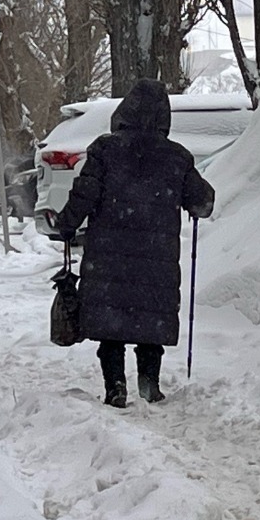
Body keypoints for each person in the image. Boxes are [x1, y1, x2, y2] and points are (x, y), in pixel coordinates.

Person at [54, 79, 214, 408]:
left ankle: (115, 386)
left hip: (109, 252)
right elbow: (202, 203)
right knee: (149, 319)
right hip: (157, 256)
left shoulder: (104, 149)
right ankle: (149, 385)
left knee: (111, 324)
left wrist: (67, 224)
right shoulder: (177, 157)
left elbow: (85, 193)